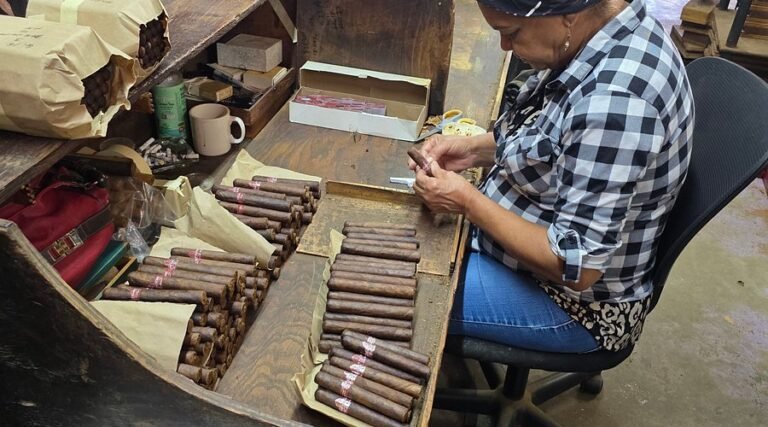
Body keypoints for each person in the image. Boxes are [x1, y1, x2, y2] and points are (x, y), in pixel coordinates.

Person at [409, 0, 693, 353]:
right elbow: (553, 137)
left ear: (568, 15)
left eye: (512, 32)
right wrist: (473, 149)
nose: (505, 46)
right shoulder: (604, 30)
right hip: (531, 257)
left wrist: (467, 202)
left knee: (401, 292)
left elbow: (578, 267)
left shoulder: (614, 105)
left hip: (575, 306)